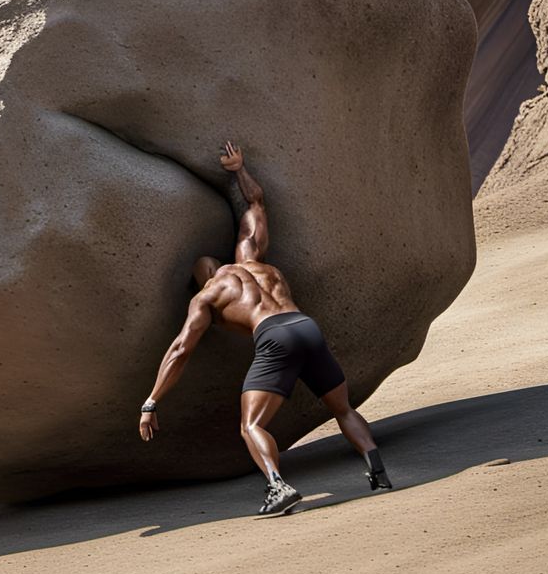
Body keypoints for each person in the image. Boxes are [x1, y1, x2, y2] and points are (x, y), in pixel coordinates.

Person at [137, 141, 391, 515]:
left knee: (251, 424)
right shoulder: (252, 259)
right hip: (305, 325)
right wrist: (238, 168)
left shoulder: (207, 296)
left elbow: (180, 349)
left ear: (202, 277)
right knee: (342, 407)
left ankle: (277, 487)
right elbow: (256, 204)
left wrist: (151, 401)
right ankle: (379, 473)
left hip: (274, 336)